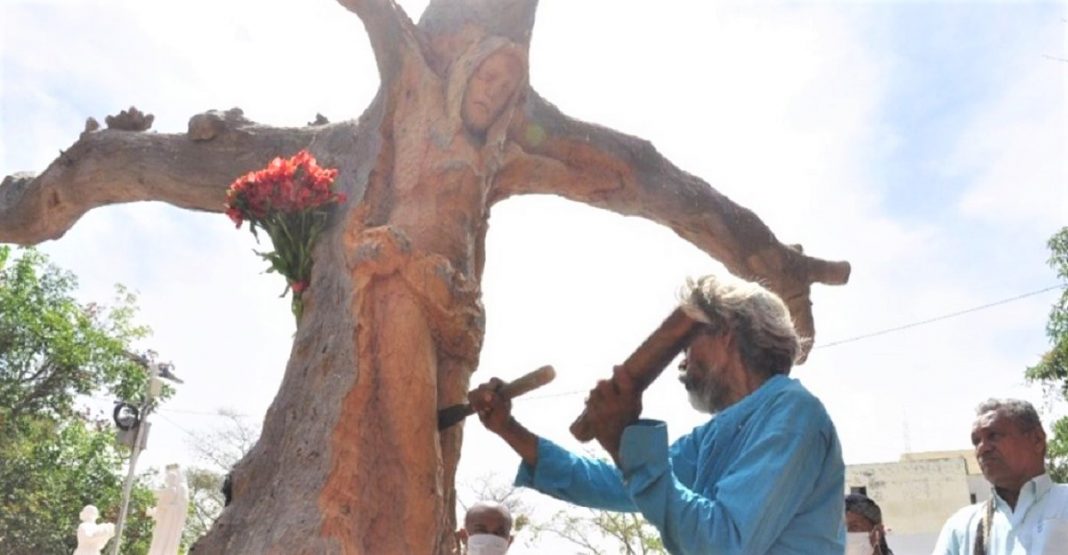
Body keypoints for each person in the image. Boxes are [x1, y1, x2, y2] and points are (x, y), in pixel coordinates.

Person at [469, 272, 845, 554]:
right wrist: (507, 427)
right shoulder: (716, 435)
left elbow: (722, 544)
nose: (682, 363)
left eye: (686, 344)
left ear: (726, 333)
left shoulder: (793, 414)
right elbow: (613, 480)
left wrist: (621, 441)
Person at [933, 398, 1068, 554]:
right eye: (976, 441)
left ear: (1037, 439)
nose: (982, 449)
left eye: (994, 436)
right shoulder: (961, 527)